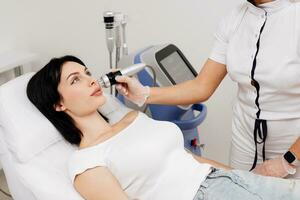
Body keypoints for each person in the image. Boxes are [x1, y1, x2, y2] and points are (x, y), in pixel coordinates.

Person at [26, 55, 300, 200]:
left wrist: (247, 177)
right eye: (75, 80)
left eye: (87, 72)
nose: (90, 80)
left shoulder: (132, 119)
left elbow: (190, 158)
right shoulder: (85, 162)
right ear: (58, 105)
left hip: (230, 181)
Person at [114, 0, 300, 179]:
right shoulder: (235, 19)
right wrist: (143, 93)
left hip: (293, 146)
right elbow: (202, 86)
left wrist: (289, 160)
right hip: (245, 142)